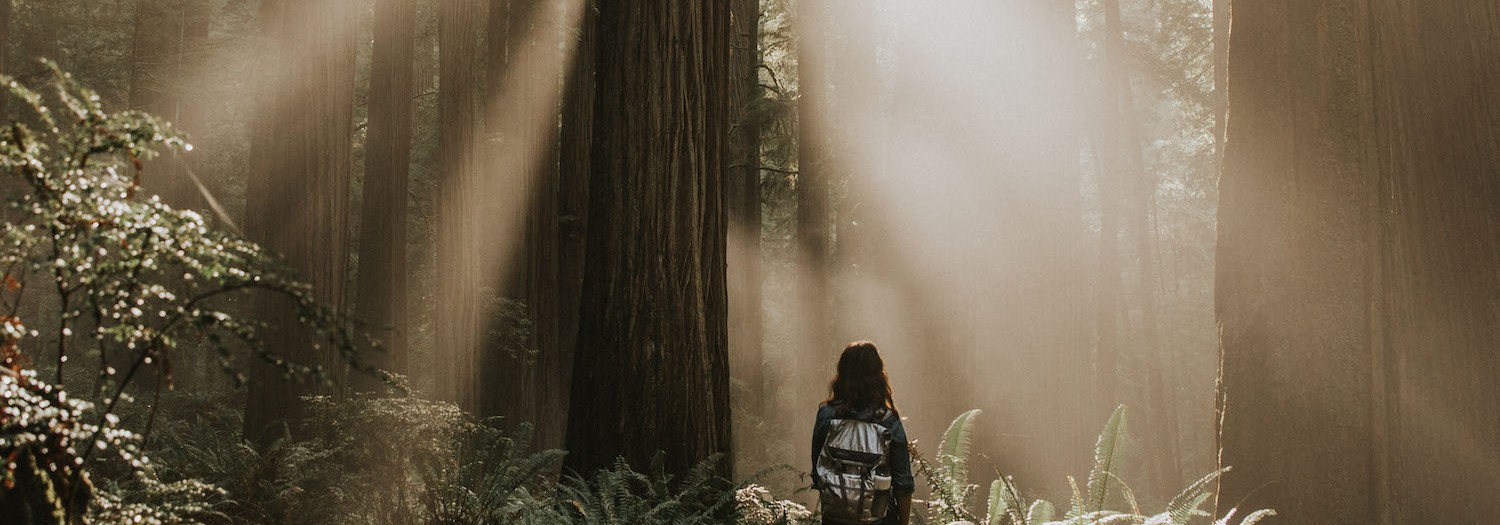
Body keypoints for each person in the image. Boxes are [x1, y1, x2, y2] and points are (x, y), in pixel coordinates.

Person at [812, 341, 915, 525]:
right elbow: (903, 484)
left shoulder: (826, 415)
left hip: (836, 518)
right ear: (878, 376)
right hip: (879, 518)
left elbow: (818, 469)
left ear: (842, 374)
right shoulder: (888, 421)